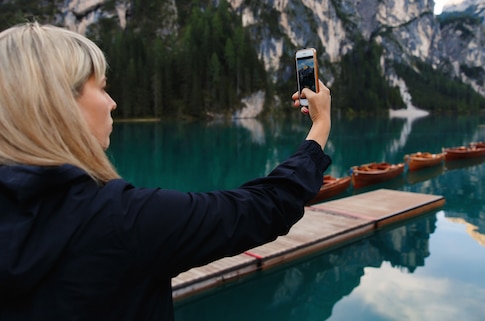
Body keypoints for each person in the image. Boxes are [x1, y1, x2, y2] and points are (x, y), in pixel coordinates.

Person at [0, 22, 332, 320]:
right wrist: (320, 127)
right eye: (101, 87)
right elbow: (264, 208)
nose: (112, 102)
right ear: (60, 103)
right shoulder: (124, 221)